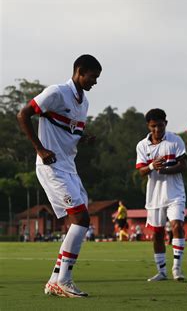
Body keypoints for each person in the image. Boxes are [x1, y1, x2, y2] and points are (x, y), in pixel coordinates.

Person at [17, 54, 101, 298]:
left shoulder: (83, 103)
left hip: (69, 167)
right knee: (82, 218)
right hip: (51, 167)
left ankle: (55, 279)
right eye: (93, 77)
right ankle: (64, 280)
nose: (95, 82)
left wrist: (83, 138)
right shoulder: (56, 92)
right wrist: (40, 149)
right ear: (80, 71)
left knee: (81, 219)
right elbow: (23, 114)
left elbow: (68, 130)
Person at [135, 108, 187, 282]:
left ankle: (177, 268)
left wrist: (164, 169)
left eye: (160, 125)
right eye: (153, 126)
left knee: (177, 226)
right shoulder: (142, 145)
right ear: (148, 126)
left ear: (166, 122)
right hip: (154, 196)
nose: (157, 129)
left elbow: (183, 165)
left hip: (175, 193)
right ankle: (162, 271)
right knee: (157, 233)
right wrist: (151, 167)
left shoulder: (175, 140)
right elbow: (141, 171)